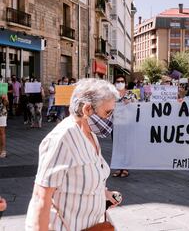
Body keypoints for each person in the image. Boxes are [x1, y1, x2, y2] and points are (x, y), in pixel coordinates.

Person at [25, 78, 122, 231]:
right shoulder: (62, 139)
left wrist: (104, 194)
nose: (110, 118)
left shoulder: (90, 134)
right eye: (108, 112)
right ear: (87, 109)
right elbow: (40, 197)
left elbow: (82, 178)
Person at [112, 75, 137, 178]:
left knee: (126, 146)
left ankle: (125, 168)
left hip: (128, 124)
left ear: (125, 83)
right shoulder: (112, 95)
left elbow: (138, 107)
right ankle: (119, 167)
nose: (120, 83)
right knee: (117, 146)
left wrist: (130, 103)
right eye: (118, 81)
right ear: (115, 83)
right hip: (116, 124)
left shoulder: (131, 94)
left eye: (122, 81)